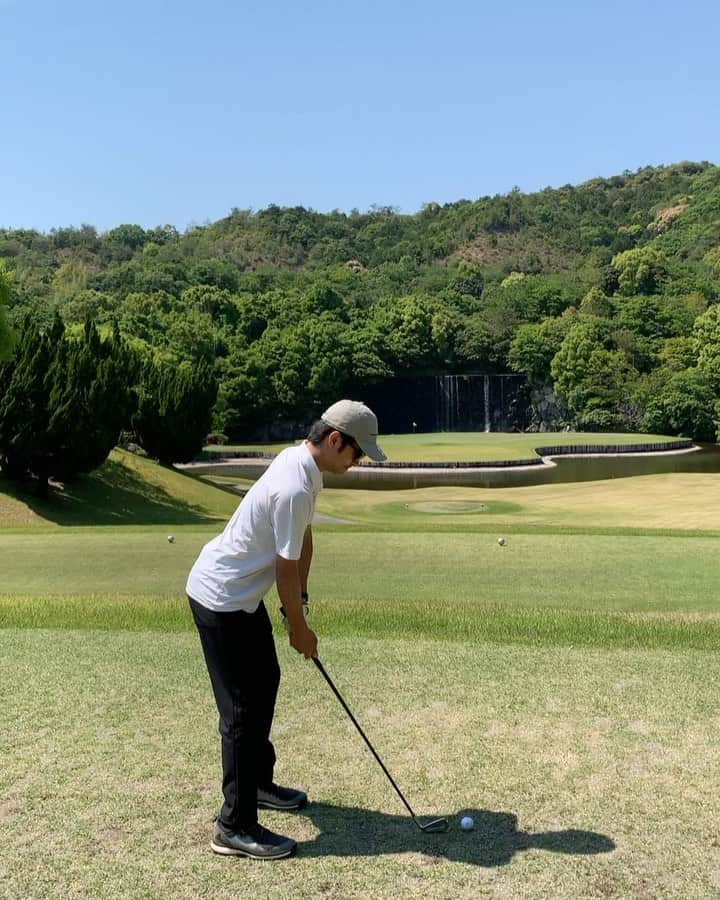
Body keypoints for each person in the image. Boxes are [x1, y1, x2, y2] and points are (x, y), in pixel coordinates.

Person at [186, 400, 386, 860]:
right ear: (335, 440)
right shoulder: (295, 485)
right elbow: (284, 566)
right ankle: (233, 826)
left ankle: (257, 782)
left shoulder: (302, 465)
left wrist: (303, 602)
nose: (356, 465)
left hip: (240, 597)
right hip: (220, 598)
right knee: (240, 709)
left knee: (265, 681)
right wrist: (299, 627)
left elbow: (300, 542)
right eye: (357, 454)